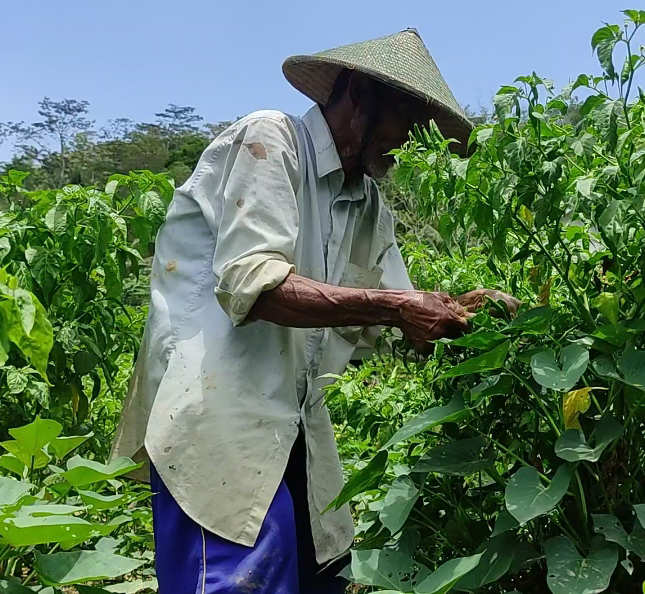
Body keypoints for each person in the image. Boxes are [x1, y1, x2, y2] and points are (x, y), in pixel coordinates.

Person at [111, 28, 518, 594]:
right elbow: (257, 288)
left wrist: (464, 313)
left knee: (319, 575)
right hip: (217, 418)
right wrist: (401, 307)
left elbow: (401, 320)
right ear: (356, 94)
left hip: (296, 429)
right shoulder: (269, 141)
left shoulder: (366, 201)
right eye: (407, 122)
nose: (407, 145)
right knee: (236, 581)